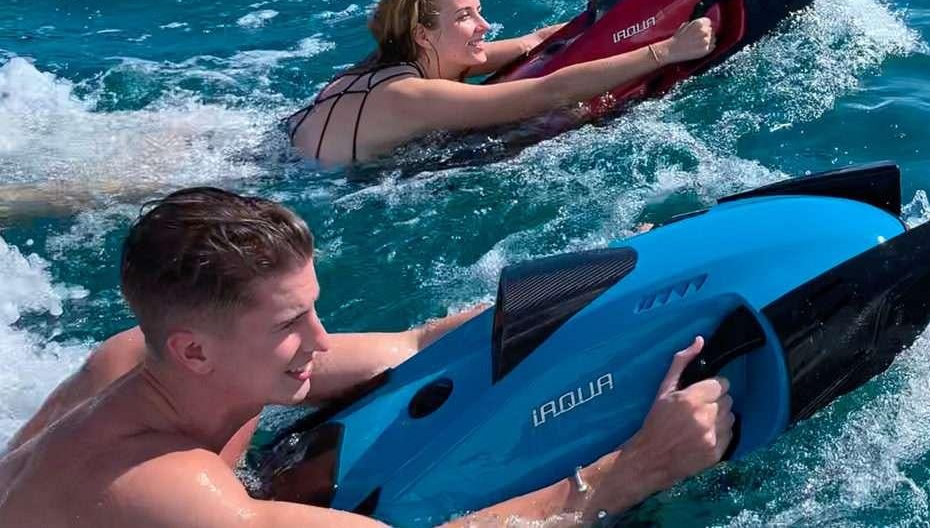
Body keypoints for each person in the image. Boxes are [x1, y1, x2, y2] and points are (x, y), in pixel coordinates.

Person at [0, 188, 733, 526]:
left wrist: (605, 282)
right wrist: (630, 472)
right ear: (193, 349)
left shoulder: (144, 356)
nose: (321, 339)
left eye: (312, 307)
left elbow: (413, 344)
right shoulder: (171, 491)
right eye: (290, 322)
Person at [288, 0, 716, 166]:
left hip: (283, 147)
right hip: (308, 180)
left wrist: (636, 15)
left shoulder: (397, 60)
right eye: (465, 17)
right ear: (422, 34)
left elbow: (533, 42)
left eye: (478, 10)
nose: (484, 25)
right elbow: (548, 92)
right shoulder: (412, 95)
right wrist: (665, 52)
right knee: (557, 122)